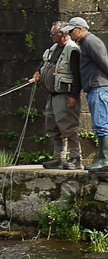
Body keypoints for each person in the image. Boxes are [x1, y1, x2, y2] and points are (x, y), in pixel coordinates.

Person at [30, 22, 82, 169]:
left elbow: (78, 76)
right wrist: (38, 72)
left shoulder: (72, 50)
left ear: (63, 34)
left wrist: (73, 96)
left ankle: (75, 158)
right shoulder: (53, 49)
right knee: (53, 127)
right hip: (52, 95)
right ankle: (59, 158)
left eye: (54, 34)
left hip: (65, 95)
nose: (51, 36)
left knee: (69, 127)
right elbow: (44, 65)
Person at [63, 16, 108, 171]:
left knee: (101, 125)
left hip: (99, 88)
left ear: (79, 29)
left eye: (71, 31)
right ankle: (103, 159)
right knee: (100, 124)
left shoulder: (91, 41)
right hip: (95, 88)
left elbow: (104, 62)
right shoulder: (85, 43)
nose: (69, 34)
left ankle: (104, 160)